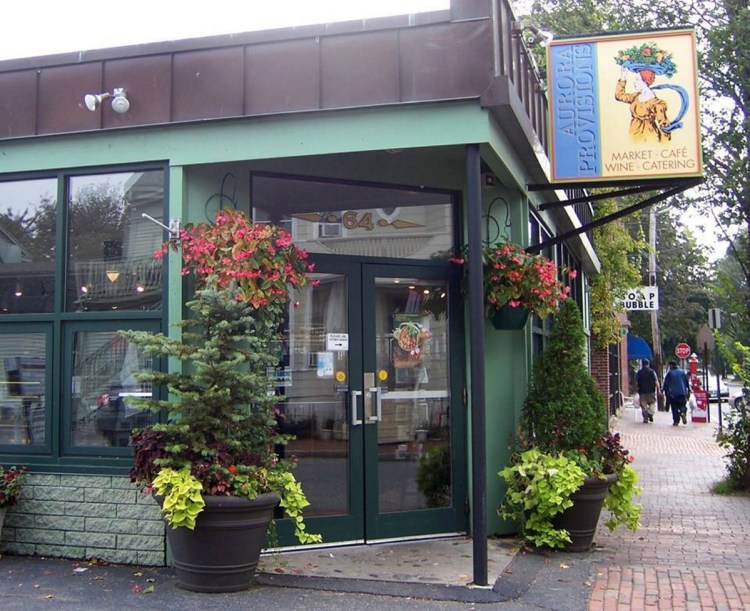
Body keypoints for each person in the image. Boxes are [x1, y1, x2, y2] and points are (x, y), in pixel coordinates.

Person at [615, 67, 671, 143]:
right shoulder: (636, 96)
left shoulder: (656, 104)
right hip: (633, 133)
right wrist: (623, 77)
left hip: (648, 136)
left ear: (645, 82)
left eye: (637, 79)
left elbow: (665, 126)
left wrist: (664, 143)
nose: (634, 82)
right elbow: (619, 96)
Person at [663, 360, 691, 426]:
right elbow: (687, 383)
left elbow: (666, 384)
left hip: (673, 394)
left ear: (671, 366)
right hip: (682, 392)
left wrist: (664, 391)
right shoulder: (682, 372)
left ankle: (676, 421)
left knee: (674, 407)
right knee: (683, 405)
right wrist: (688, 391)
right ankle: (682, 412)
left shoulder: (670, 373)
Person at [636, 359, 660, 423]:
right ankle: (650, 413)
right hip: (651, 391)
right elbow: (656, 381)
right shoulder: (652, 372)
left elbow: (637, 382)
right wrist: (659, 389)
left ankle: (645, 417)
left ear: (642, 364)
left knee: (643, 405)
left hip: (642, 391)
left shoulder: (639, 372)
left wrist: (637, 389)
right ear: (648, 364)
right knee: (652, 403)